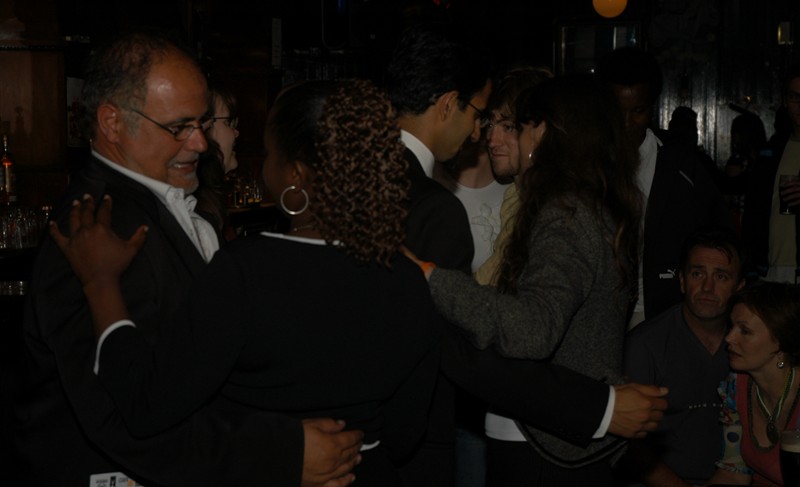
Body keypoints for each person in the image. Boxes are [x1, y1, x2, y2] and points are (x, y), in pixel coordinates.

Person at [49, 78, 442, 487]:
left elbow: (146, 406)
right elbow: (405, 434)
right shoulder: (408, 281)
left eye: (269, 153)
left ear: (295, 175)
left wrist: (100, 284)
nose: (264, 164)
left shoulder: (247, 273)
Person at [13, 29, 361, 487]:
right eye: (178, 127)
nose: (199, 143)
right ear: (112, 122)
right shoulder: (94, 227)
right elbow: (122, 417)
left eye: (202, 123)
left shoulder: (154, 201)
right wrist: (280, 453)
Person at [405, 73, 643, 485]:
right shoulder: (591, 206)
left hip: (543, 443)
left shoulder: (566, 214)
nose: (503, 137)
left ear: (544, 132)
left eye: (520, 125)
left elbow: (532, 330)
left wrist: (430, 277)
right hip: (560, 436)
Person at [595, 47, 731, 328]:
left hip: (663, 311)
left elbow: (718, 232)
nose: (626, 124)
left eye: (638, 111)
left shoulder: (681, 164)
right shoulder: (585, 163)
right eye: (618, 112)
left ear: (653, 106)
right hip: (599, 311)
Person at [619, 226, 745, 486]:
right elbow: (627, 444)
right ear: (682, 281)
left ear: (739, 287)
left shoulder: (752, 341)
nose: (707, 287)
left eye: (721, 276)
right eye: (697, 273)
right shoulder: (645, 345)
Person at [706, 281, 800, 486]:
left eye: (745, 331)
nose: (729, 338)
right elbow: (733, 473)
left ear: (780, 341)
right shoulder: (736, 386)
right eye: (732, 326)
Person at [475, 64, 553, 287]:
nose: (492, 140)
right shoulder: (515, 196)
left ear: (540, 131)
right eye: (490, 124)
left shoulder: (553, 208)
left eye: (508, 127)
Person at [742, 63, 800, 284]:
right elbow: (754, 210)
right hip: (771, 270)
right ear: (785, 101)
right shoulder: (771, 151)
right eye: (795, 97)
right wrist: (751, 266)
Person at [194, 85, 239, 239]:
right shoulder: (198, 210)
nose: (236, 133)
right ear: (206, 128)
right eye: (228, 122)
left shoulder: (209, 200)